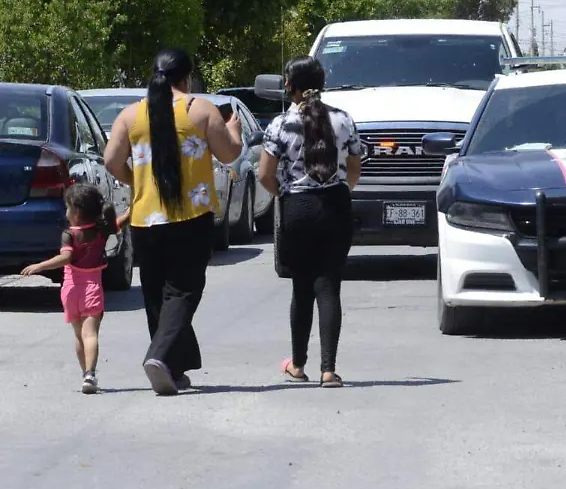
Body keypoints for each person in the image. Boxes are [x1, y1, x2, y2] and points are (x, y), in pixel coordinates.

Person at [104, 48, 243, 396]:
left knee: (156, 294)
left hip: (144, 218)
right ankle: (160, 356)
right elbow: (229, 154)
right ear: (187, 77)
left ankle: (171, 369)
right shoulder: (200, 110)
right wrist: (234, 131)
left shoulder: (130, 115)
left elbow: (110, 161)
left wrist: (136, 182)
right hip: (190, 216)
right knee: (183, 290)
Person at [258, 55, 362, 388]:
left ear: (290, 85)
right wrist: (337, 190)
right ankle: (328, 370)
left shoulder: (279, 124)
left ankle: (298, 364)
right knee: (329, 287)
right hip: (335, 207)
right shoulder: (343, 120)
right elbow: (355, 170)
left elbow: (264, 174)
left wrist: (284, 194)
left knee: (301, 288)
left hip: (297, 208)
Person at [20, 185, 129, 394]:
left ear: (76, 213)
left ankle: (84, 374)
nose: (66, 212)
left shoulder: (69, 234)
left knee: (79, 335)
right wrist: (134, 208)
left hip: (70, 291)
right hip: (92, 289)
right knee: (91, 335)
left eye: (67, 207)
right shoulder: (101, 232)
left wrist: (41, 265)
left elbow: (66, 257)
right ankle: (90, 374)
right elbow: (120, 222)